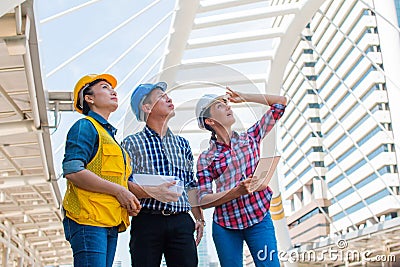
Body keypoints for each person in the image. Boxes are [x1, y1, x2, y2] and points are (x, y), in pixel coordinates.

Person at [196, 87, 287, 267]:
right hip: (226, 226)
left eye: (226, 103)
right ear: (210, 121)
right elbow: (203, 200)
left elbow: (280, 103)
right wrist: (235, 192)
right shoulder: (206, 158)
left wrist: (245, 96)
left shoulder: (251, 137)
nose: (228, 107)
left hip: (259, 218)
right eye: (219, 106)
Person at [122, 82, 204, 267]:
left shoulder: (182, 144)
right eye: (161, 96)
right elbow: (122, 184)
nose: (169, 98)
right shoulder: (130, 143)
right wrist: (151, 191)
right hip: (147, 221)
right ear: (146, 107)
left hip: (181, 221)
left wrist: (198, 218)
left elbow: (190, 185)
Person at [62, 74, 141, 267]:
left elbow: (119, 181)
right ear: (89, 98)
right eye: (105, 87)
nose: (113, 91)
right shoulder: (85, 126)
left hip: (110, 220)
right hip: (88, 218)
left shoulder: (113, 140)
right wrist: (119, 191)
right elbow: (73, 170)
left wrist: (129, 197)